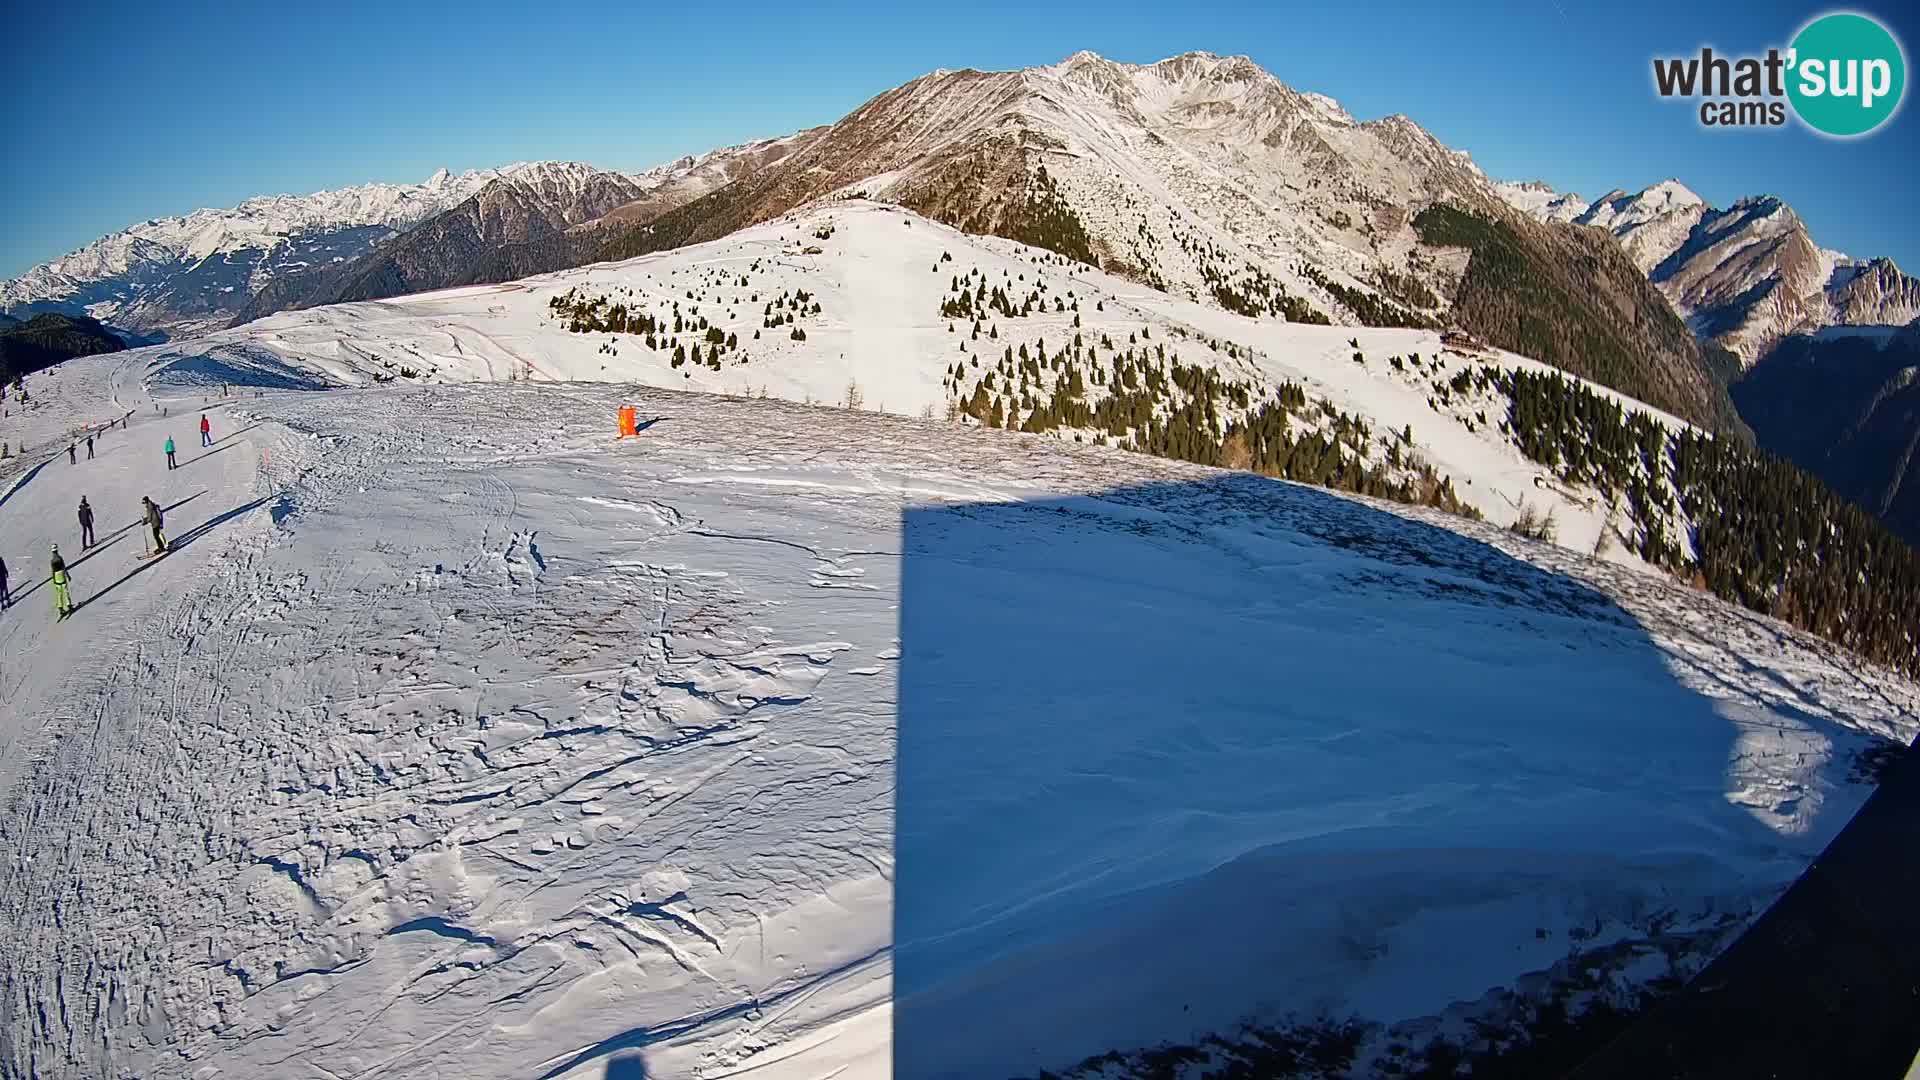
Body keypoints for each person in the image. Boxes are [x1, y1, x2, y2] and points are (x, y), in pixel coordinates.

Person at [50, 544, 73, 620]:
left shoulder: (52, 560)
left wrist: (53, 579)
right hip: (61, 575)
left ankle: (60, 608)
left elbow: (53, 571)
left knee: (59, 593)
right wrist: (68, 575)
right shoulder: (60, 558)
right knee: (65, 591)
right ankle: (69, 605)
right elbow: (64, 567)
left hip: (56, 576)